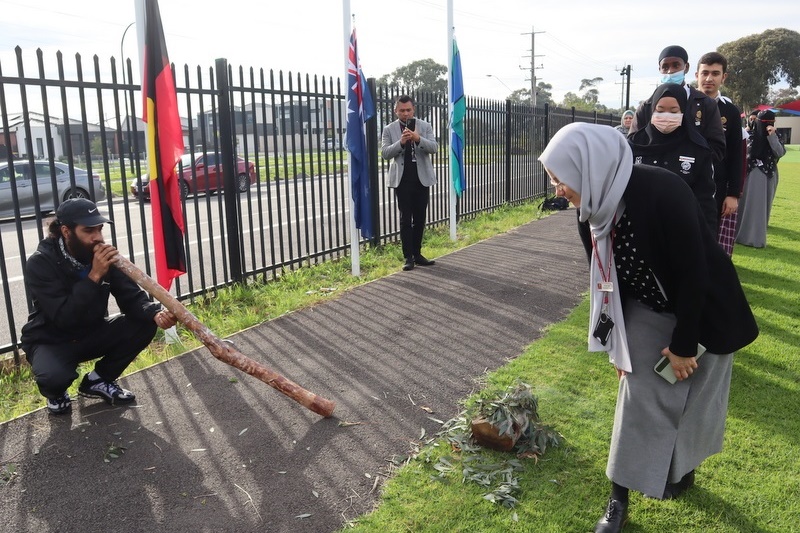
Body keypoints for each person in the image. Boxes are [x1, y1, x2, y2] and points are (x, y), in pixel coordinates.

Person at [538, 123, 758, 533]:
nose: (557, 189)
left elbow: (695, 273)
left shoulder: (662, 189)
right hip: (646, 306)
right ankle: (618, 500)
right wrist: (616, 345)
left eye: (559, 178)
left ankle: (681, 469)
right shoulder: (591, 213)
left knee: (696, 400)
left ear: (588, 166)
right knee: (636, 395)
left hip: (704, 307)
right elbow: (605, 282)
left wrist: (684, 345)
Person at [20, 198, 177, 415]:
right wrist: (94, 275)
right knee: (54, 378)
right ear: (66, 231)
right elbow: (64, 316)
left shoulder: (99, 255)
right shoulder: (40, 263)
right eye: (88, 230)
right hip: (53, 338)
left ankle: (98, 380)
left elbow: (130, 297)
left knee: (144, 322)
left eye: (100, 229)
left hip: (90, 332)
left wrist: (155, 313)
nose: (98, 237)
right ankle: (56, 393)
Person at [628, 83, 718, 235]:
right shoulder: (634, 144)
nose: (666, 116)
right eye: (660, 110)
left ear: (684, 110)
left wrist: (707, 240)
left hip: (681, 230)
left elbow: (705, 200)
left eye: (674, 111)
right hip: (638, 229)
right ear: (652, 110)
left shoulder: (698, 148)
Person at [629, 45, 726, 162]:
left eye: (676, 65)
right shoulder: (646, 106)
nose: (670, 71)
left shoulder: (705, 104)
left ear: (686, 67)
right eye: (665, 67)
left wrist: (690, 163)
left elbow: (717, 148)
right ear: (659, 69)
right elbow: (633, 144)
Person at [381, 95, 438, 271]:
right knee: (405, 219)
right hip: (402, 179)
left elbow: (434, 148)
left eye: (408, 110)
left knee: (420, 218)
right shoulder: (389, 129)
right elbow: (385, 153)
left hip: (421, 178)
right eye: (402, 110)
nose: (405, 114)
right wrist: (402, 142)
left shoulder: (425, 126)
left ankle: (418, 253)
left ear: (413, 110)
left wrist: (417, 138)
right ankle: (408, 257)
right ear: (395, 110)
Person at [695, 51, 744, 255]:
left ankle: (706, 281)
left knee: (709, 235)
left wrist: (733, 194)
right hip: (684, 181)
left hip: (716, 187)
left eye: (715, 73)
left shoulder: (731, 112)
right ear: (696, 75)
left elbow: (736, 156)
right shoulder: (683, 105)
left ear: (724, 77)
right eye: (704, 73)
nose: (709, 79)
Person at [735, 110, 786, 248]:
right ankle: (738, 235)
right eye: (764, 123)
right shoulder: (749, 135)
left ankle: (755, 239)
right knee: (744, 206)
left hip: (768, 175)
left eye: (770, 123)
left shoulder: (776, 136)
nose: (767, 126)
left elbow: (779, 153)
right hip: (749, 175)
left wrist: (772, 136)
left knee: (762, 208)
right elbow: (744, 154)